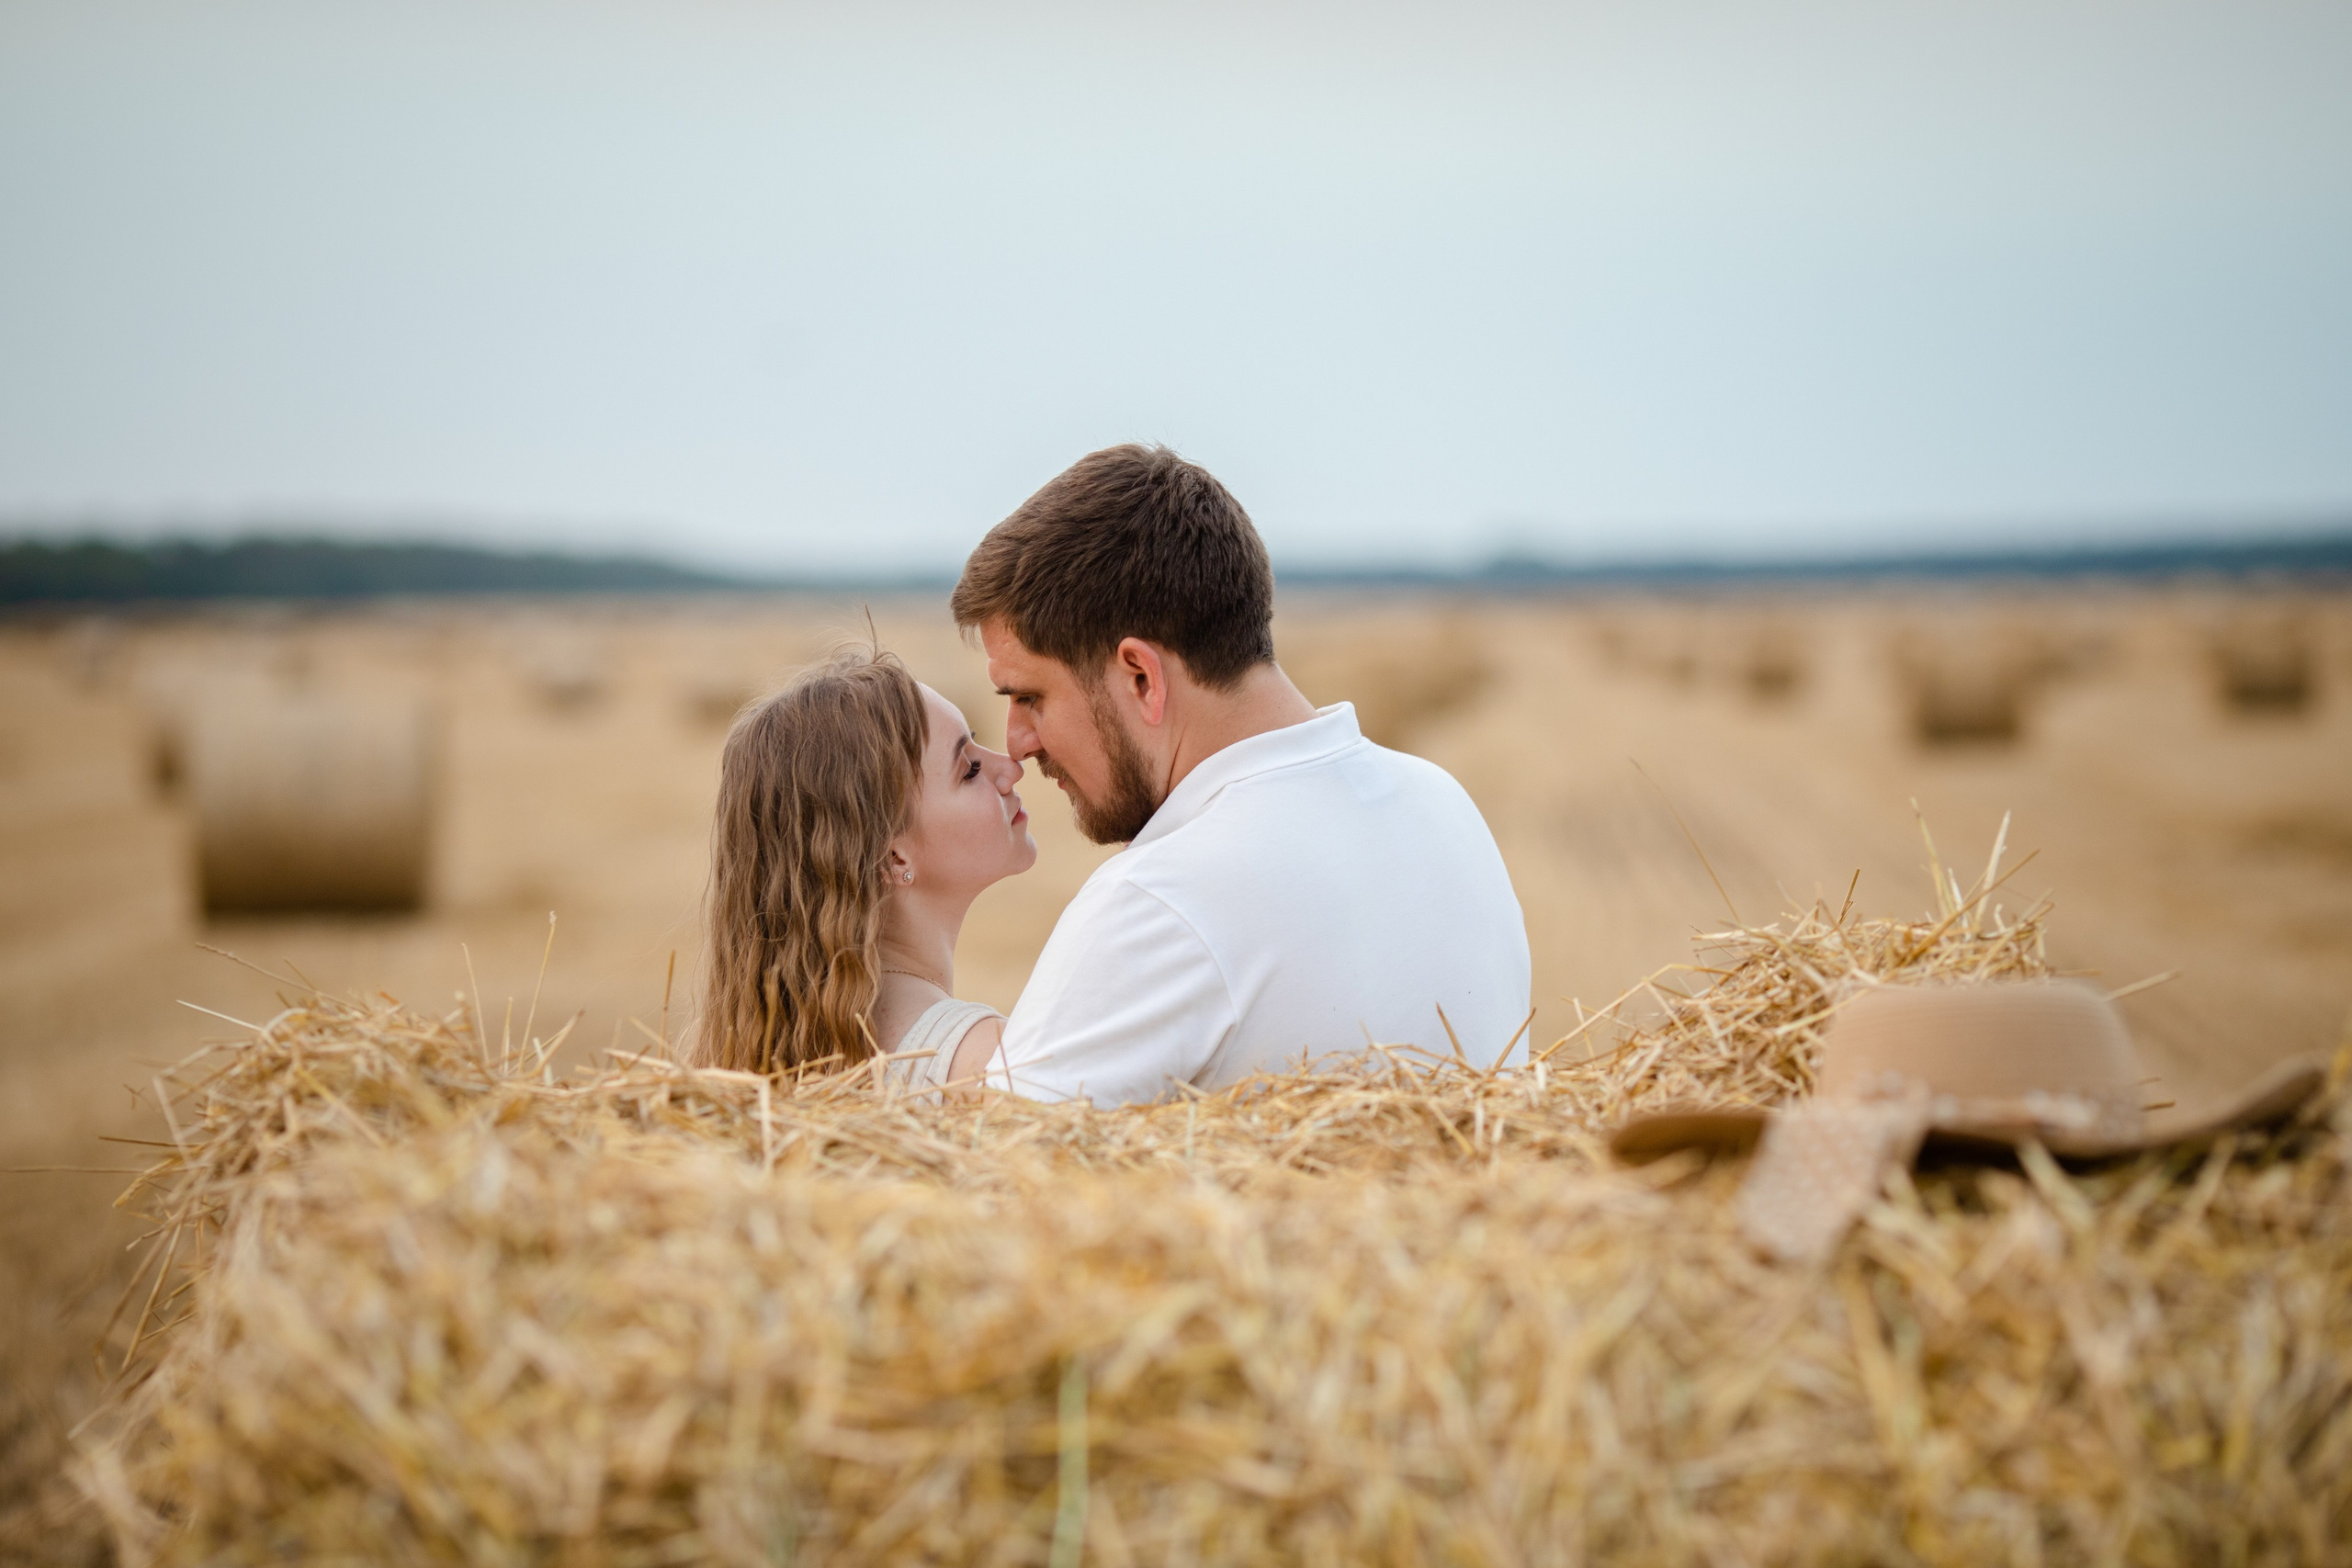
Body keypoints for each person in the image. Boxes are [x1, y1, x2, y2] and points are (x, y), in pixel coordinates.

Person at [954, 443, 1532, 1105]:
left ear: (1141, 676)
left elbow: (992, 1169)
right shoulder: (1445, 804)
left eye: (1030, 697)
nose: (1017, 744)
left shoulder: (1159, 902)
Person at [695, 647, 1035, 1090]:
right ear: (894, 858)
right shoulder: (990, 1065)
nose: (1010, 768)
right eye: (969, 769)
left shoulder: (778, 1061)